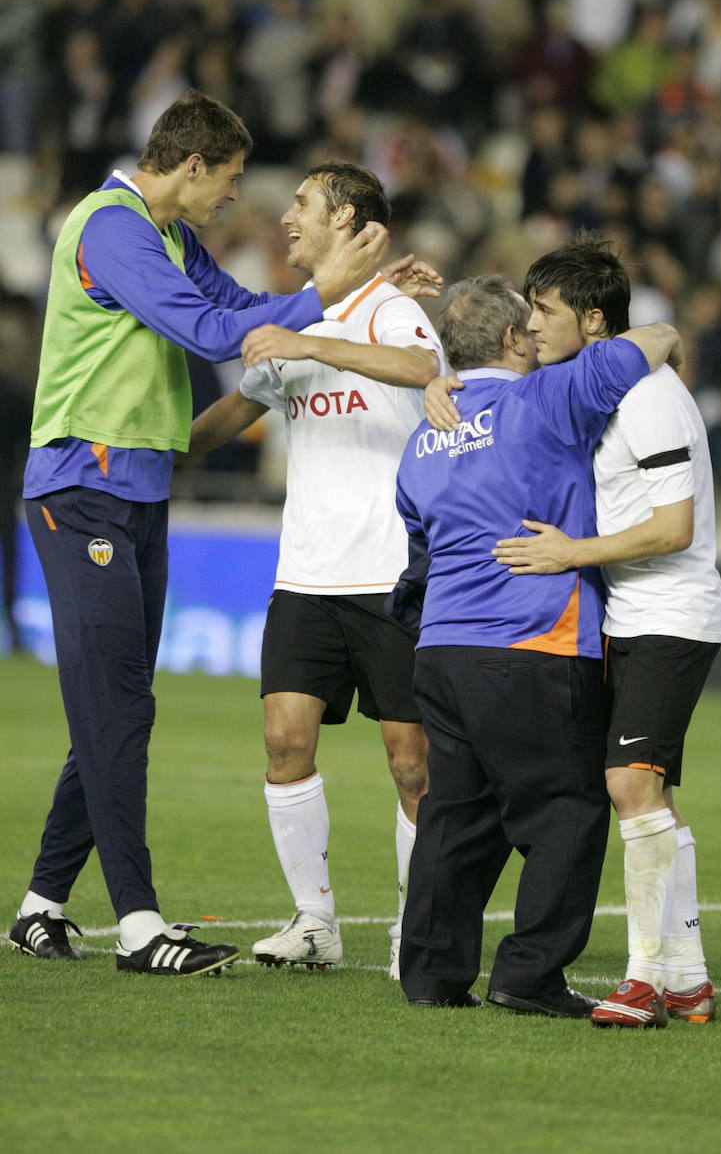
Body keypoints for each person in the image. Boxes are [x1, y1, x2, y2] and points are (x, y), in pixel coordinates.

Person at [10, 90, 392, 976]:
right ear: (190, 168)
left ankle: (40, 906)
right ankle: (140, 927)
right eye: (227, 179)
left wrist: (352, 291)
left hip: (138, 491)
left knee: (124, 705)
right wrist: (329, 291)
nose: (233, 196)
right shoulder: (109, 227)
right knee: (119, 708)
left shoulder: (173, 238)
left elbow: (248, 304)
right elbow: (209, 329)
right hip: (84, 484)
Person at [394, 274, 681, 1014]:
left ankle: (430, 973)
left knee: (458, 812)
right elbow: (659, 338)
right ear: (516, 338)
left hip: (441, 647)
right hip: (534, 639)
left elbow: (418, 535)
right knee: (567, 809)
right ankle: (529, 973)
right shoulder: (544, 399)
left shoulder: (427, 431)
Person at [187, 162, 445, 978]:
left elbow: (420, 373)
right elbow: (223, 423)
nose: (287, 217)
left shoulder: (395, 311)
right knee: (284, 740)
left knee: (413, 761)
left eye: (303, 205)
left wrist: (311, 341)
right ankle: (314, 922)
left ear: (348, 221)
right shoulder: (297, 321)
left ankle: (419, 925)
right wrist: (141, 439)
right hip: (305, 573)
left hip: (391, 573)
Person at [490, 238, 721, 1026]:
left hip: (672, 610)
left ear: (595, 320)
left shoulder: (651, 395)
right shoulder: (594, 386)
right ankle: (687, 976)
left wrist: (569, 554)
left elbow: (673, 527)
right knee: (649, 792)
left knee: (629, 785)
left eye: (546, 310)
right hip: (627, 615)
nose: (530, 324)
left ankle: (642, 977)